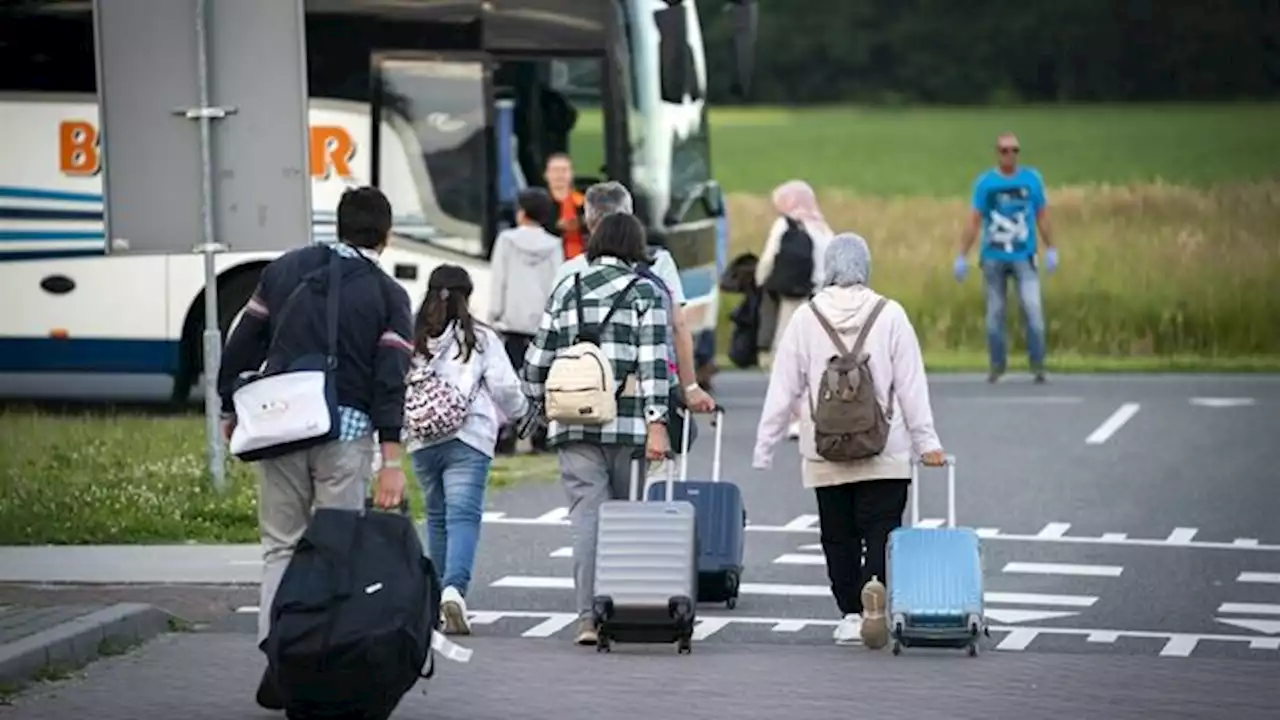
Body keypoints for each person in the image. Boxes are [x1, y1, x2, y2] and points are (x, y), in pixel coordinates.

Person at [216, 186, 413, 710]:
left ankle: (276, 654)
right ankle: (319, 662)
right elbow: (390, 379)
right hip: (344, 437)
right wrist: (391, 460)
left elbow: (243, 341)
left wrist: (229, 409)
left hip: (280, 429)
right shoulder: (389, 295)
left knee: (280, 546)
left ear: (339, 226)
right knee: (334, 553)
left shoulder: (283, 271)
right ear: (385, 236)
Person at [752, 232, 946, 650]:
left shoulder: (807, 317)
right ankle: (875, 593)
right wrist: (925, 441)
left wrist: (764, 447)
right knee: (881, 529)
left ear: (829, 269)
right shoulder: (890, 314)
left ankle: (849, 613)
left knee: (837, 534)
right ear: (866, 268)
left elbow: (783, 386)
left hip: (826, 448)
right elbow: (912, 384)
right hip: (885, 445)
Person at [522, 212, 672, 647]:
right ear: (635, 247)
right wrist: (657, 422)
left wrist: (537, 404)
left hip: (573, 421)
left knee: (587, 518)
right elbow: (653, 364)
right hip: (628, 426)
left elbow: (537, 359)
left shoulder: (567, 287)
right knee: (625, 520)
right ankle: (622, 608)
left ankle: (587, 618)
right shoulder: (645, 291)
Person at [551, 181, 716, 481]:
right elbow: (678, 326)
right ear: (630, 216)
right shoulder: (657, 263)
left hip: (580, 397)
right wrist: (689, 387)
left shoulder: (569, 271)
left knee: (589, 502)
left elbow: (551, 338)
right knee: (642, 499)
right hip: (643, 395)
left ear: (588, 219)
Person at [406, 264, 529, 636]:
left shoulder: (412, 337)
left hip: (423, 440)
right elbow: (505, 387)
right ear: (467, 295)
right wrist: (523, 414)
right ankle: (454, 590)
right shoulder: (480, 338)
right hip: (468, 437)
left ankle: (438, 596)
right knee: (463, 518)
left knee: (437, 517)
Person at [953, 132, 1057, 384]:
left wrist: (1051, 247)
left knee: (1033, 311)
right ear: (997, 153)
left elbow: (1042, 216)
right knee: (995, 315)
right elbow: (974, 220)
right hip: (993, 257)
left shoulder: (1031, 180)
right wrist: (961, 255)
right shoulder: (985, 184)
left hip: (1024, 255)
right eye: (1004, 150)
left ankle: (1038, 365)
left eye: (1014, 150)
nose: (1009, 155)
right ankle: (997, 366)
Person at [755, 179, 834, 438]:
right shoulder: (824, 229)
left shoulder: (784, 226)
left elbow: (767, 261)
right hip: (822, 301)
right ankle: (814, 415)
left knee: (786, 358)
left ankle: (792, 417)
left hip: (792, 301)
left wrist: (761, 282)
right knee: (817, 359)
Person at [488, 187, 563, 453]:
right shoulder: (554, 245)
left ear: (522, 212)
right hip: (542, 323)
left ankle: (508, 431)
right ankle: (541, 431)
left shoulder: (507, 240)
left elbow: (499, 279)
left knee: (510, 378)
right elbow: (557, 286)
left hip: (513, 320)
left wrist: (494, 314)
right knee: (541, 379)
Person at [544, 152, 586, 259]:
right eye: (555, 170)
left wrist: (580, 223)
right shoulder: (540, 204)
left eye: (564, 170)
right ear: (546, 174)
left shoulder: (583, 203)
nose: (560, 175)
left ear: (572, 174)